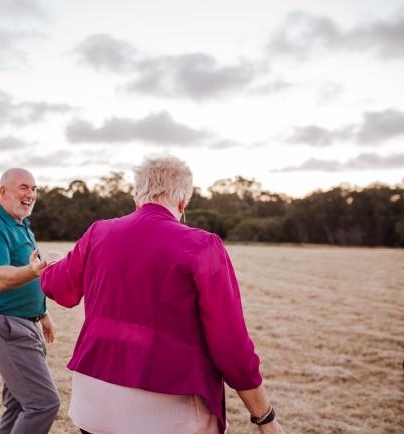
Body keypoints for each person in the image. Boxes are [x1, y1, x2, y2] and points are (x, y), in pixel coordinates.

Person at [40, 156, 285, 434]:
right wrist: (265, 418)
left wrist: (53, 263)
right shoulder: (202, 245)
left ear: (137, 196)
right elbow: (230, 345)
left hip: (94, 402)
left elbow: (59, 287)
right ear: (182, 202)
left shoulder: (98, 232)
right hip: (169, 406)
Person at [0, 168, 60, 434]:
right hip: (6, 325)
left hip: (27, 323)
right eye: (23, 187)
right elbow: (1, 277)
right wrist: (36, 270)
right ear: (3, 191)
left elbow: (26, 273)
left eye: (34, 188)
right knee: (43, 404)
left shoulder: (21, 224)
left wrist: (42, 313)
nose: (30, 194)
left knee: (19, 405)